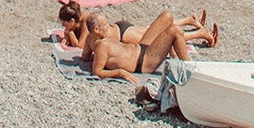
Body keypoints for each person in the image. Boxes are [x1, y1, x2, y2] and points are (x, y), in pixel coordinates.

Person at [83, 8, 217, 77]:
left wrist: (100, 58)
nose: (109, 26)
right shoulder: (101, 46)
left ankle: (176, 58)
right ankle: (191, 70)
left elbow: (85, 57)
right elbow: (97, 71)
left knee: (166, 16)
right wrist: (119, 72)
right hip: (143, 63)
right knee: (175, 31)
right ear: (96, 29)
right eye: (105, 25)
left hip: (140, 48)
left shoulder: (90, 39)